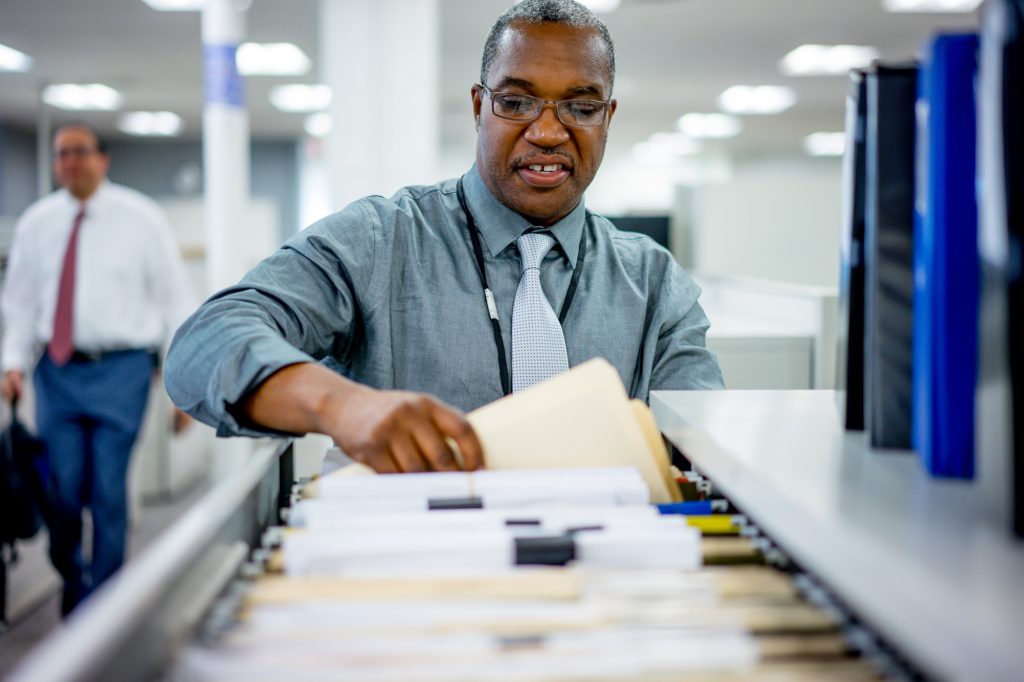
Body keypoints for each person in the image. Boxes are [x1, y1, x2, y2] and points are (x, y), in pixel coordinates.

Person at [165, 0, 723, 475]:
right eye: (516, 101)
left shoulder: (654, 284)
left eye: (580, 107)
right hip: (414, 576)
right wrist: (340, 404)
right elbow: (204, 343)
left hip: (595, 578)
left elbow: (705, 446)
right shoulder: (381, 241)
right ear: (480, 107)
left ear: (608, 117)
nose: (549, 131)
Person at [0, 122, 195, 615]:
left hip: (122, 371)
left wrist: (185, 384)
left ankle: (103, 607)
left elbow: (176, 299)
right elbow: (20, 303)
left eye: (79, 152)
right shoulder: (37, 223)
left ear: (102, 159)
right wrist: (12, 362)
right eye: (60, 154)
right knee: (63, 492)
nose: (69, 162)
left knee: (107, 492)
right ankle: (74, 580)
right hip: (57, 372)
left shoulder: (141, 218)